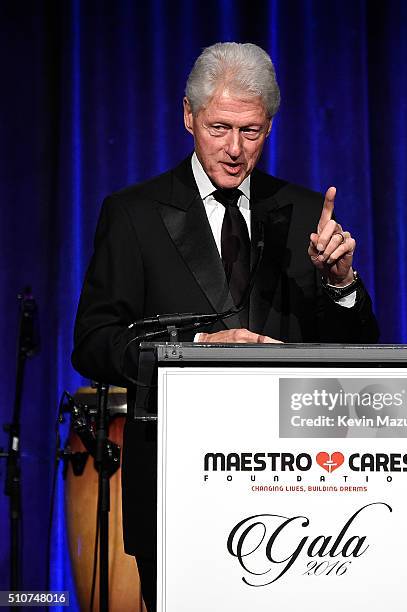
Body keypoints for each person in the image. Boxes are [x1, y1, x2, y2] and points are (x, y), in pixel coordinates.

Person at [72, 42, 378, 610]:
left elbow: (360, 352)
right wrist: (191, 352)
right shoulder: (134, 214)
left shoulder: (305, 212)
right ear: (187, 117)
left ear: (270, 127)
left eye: (252, 132)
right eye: (219, 128)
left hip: (295, 497)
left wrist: (340, 283)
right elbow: (92, 342)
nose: (235, 150)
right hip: (179, 486)